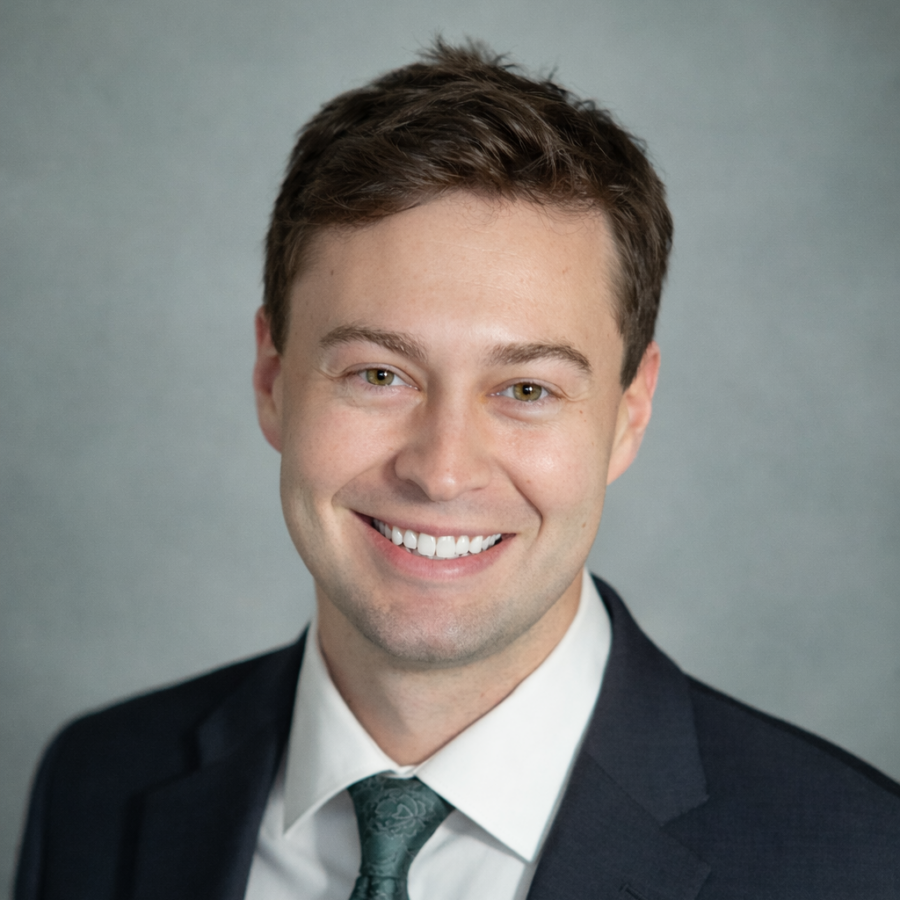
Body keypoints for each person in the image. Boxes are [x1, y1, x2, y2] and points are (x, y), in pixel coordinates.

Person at [15, 40, 900, 900]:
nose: (441, 472)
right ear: (272, 380)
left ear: (630, 413)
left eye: (526, 388)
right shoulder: (97, 786)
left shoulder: (856, 865)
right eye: (378, 375)